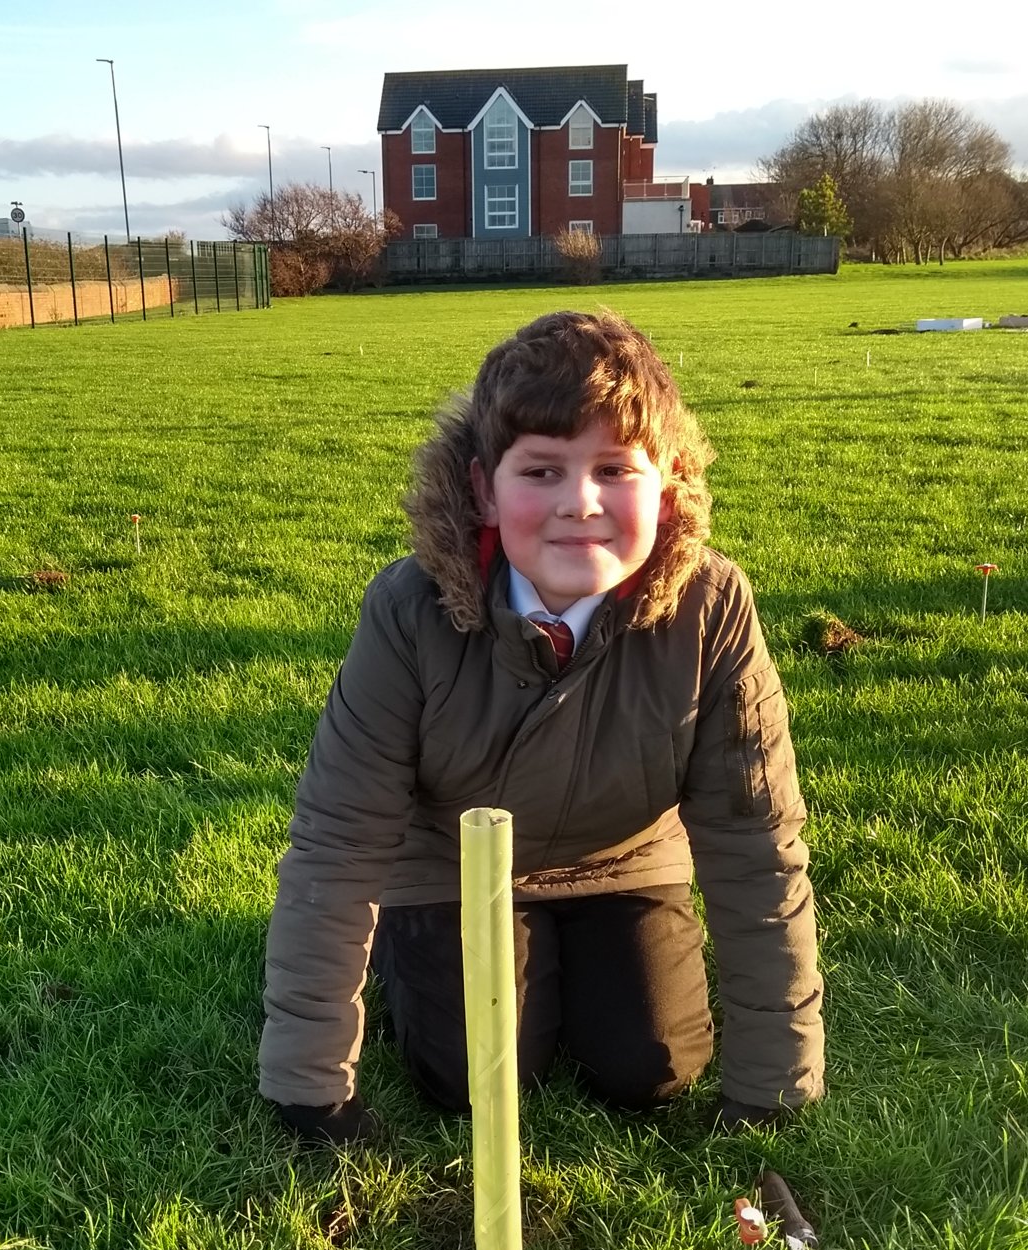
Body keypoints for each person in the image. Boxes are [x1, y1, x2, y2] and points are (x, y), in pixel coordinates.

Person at [258, 310, 822, 1143]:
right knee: (471, 1076)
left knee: (648, 1068)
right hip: (450, 867)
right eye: (543, 471)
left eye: (613, 469)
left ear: (664, 481)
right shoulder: (407, 610)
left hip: (624, 861)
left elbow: (754, 841)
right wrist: (309, 1089)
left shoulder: (712, 606)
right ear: (486, 488)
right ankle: (410, 957)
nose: (580, 504)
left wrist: (772, 1088)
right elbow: (341, 838)